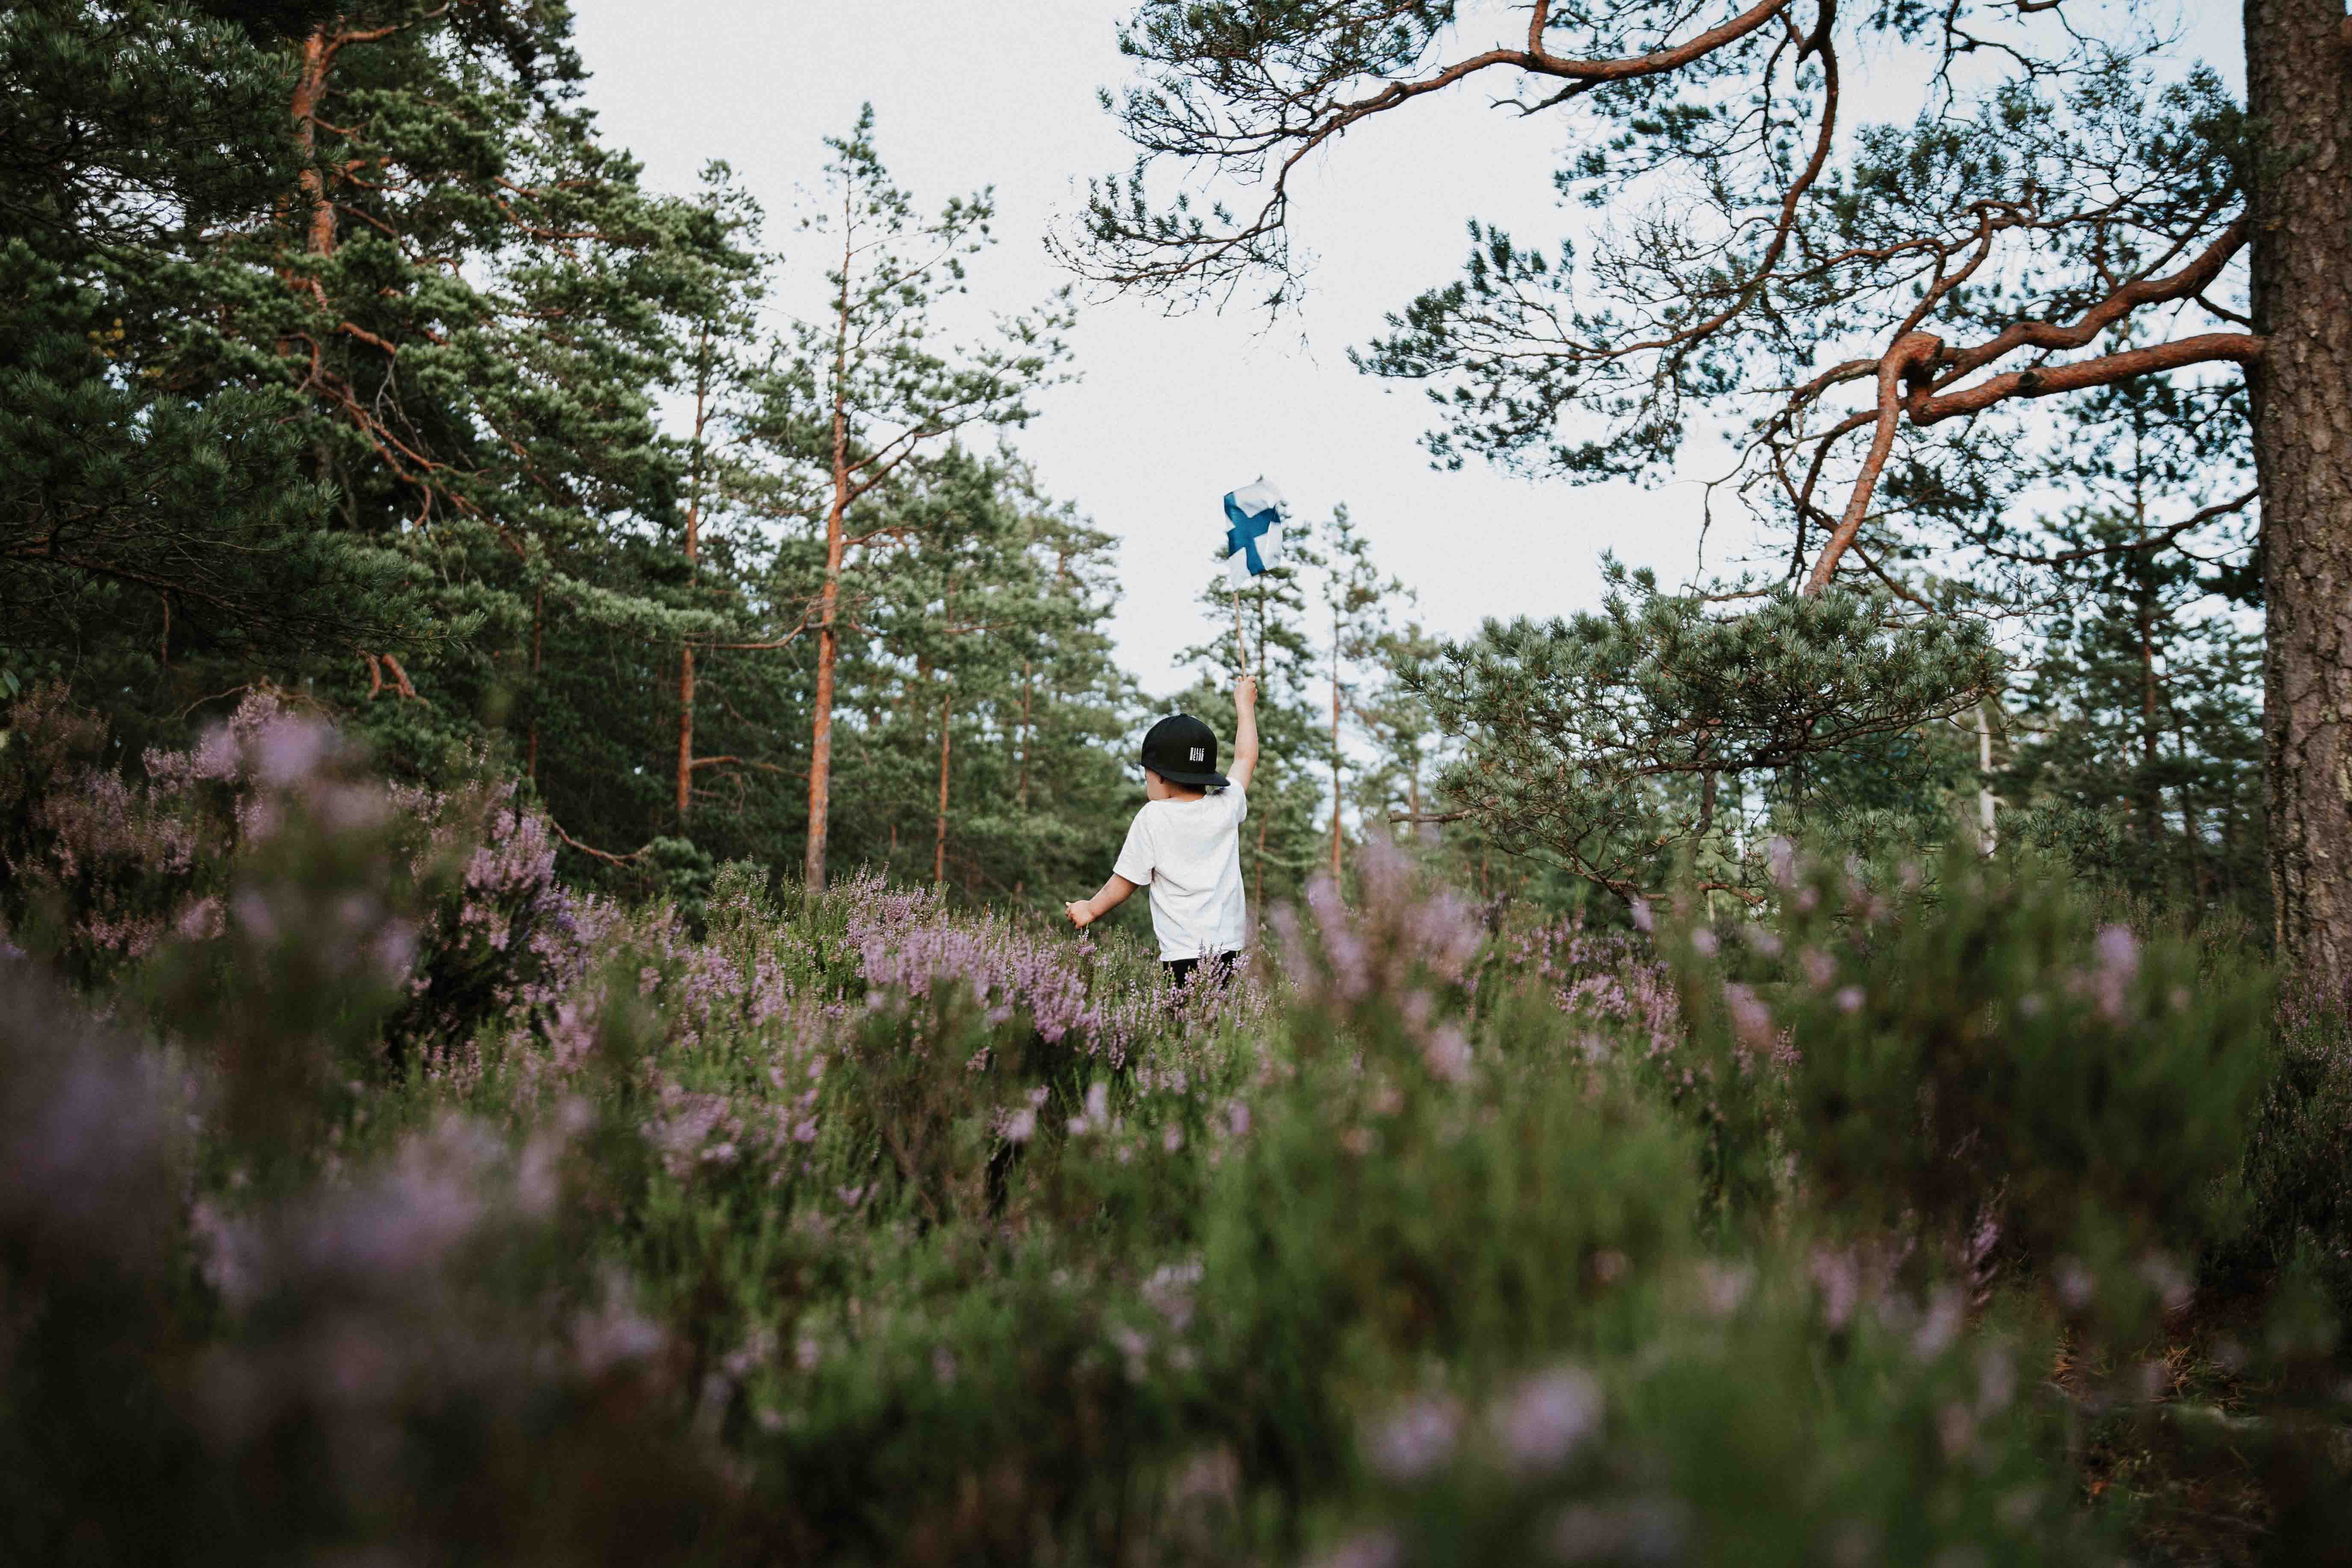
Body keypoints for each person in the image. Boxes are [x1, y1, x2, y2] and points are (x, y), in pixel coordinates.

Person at [1066, 675, 1259, 989]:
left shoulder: (1153, 817)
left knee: (1182, 1028)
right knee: (1220, 1027)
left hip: (1182, 955)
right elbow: (1245, 759)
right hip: (1229, 950)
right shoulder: (1226, 805)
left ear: (1161, 778)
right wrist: (1244, 705)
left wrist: (1090, 908)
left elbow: (1125, 880)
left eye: (1146, 776)